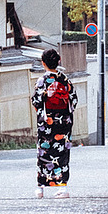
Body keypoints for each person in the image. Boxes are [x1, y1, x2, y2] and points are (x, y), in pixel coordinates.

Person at [30, 48, 77, 199]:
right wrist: (64, 115)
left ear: (43, 63)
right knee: (62, 153)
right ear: (58, 61)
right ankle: (63, 188)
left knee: (44, 152)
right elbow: (74, 100)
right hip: (64, 122)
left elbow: (36, 101)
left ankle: (41, 188)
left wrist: (45, 114)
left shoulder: (42, 81)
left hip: (47, 122)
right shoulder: (65, 80)